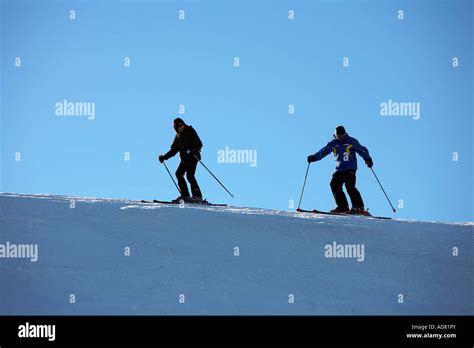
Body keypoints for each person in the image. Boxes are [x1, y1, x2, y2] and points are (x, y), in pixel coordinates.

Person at [307, 126, 373, 214]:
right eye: (339, 136)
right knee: (334, 184)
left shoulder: (351, 141)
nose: (341, 138)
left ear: (345, 134)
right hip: (339, 169)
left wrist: (367, 159)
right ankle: (343, 206)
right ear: (336, 135)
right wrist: (314, 157)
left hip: (350, 168)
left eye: (343, 135)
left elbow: (362, 150)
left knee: (350, 186)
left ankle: (358, 207)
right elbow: (323, 151)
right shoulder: (333, 143)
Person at [159, 118, 203, 203]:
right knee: (179, 173)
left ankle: (197, 196)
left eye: (182, 125)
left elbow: (199, 143)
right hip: (185, 159)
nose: (181, 127)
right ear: (176, 129)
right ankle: (185, 195)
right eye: (179, 127)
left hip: (193, 156)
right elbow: (174, 150)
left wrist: (193, 150)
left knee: (190, 175)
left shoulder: (190, 130)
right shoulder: (178, 136)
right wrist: (164, 157)